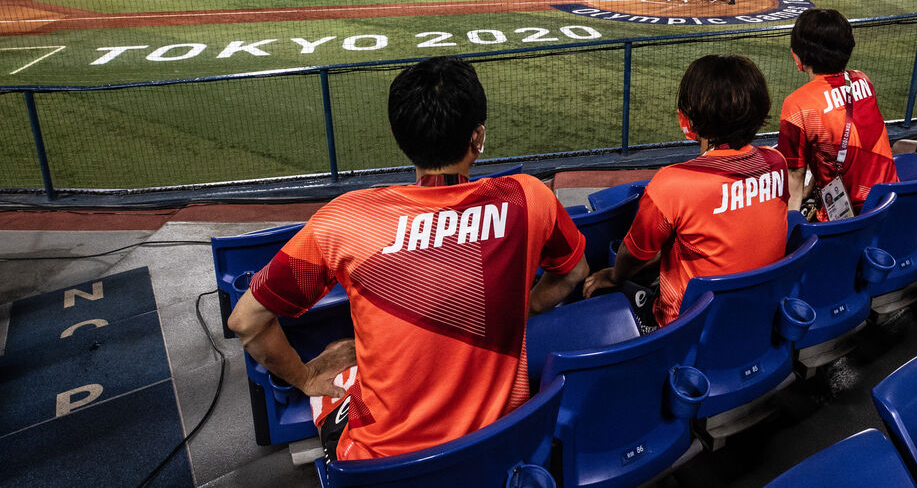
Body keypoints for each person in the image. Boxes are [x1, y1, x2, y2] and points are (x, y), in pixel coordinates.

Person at [227, 57, 588, 462]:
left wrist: (306, 376)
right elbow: (573, 272)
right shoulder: (529, 196)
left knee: (340, 350)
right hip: (504, 452)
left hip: (381, 466)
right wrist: (521, 308)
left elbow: (246, 322)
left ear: (399, 135)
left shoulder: (342, 220)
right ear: (478, 137)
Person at [583, 54, 788, 326]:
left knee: (596, 288)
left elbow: (633, 254)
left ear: (691, 116)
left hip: (687, 327)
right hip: (757, 315)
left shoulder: (672, 184)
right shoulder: (776, 163)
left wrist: (612, 276)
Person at [777, 9, 897, 221]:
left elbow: (795, 174)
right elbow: (835, 149)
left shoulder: (797, 104)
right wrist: (811, 188)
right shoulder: (862, 80)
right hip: (889, 201)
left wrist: (791, 227)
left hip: (850, 218)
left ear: (798, 55)